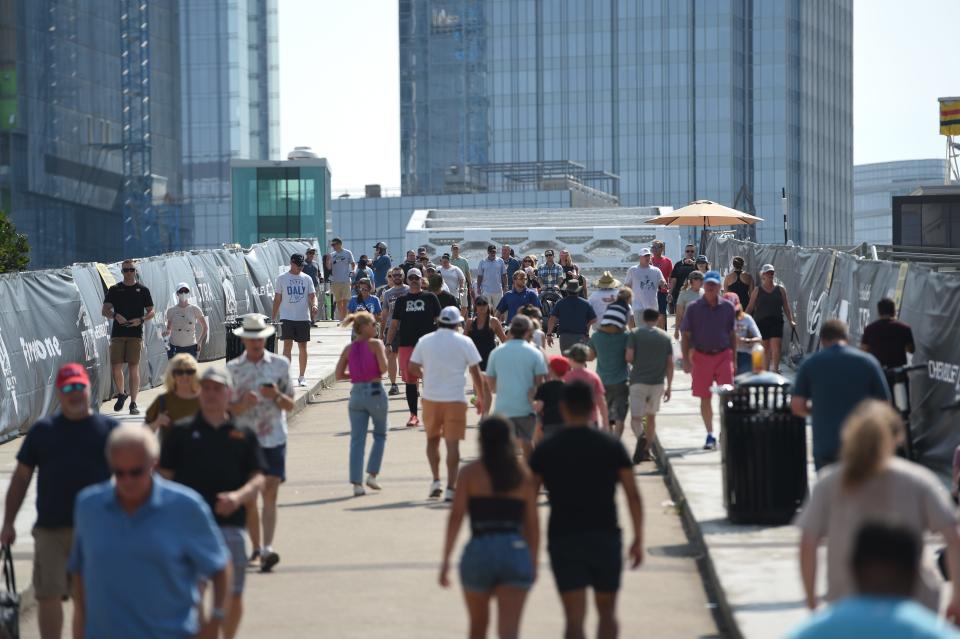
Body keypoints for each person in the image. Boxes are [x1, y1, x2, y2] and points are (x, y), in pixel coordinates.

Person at [795, 400, 960, 616]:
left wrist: (811, 601)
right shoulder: (918, 481)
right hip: (914, 601)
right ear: (897, 437)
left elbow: (808, 543)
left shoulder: (830, 482)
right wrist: (957, 596)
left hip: (847, 600)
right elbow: (953, 537)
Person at [69, 425, 230, 638]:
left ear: (153, 464)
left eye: (136, 472)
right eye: (119, 473)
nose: (127, 481)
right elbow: (80, 574)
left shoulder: (186, 507)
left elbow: (220, 567)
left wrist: (215, 621)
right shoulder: (88, 507)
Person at [0, 364, 116, 639]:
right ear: (59, 393)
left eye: (79, 387)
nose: (74, 393)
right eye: (67, 388)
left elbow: (132, 479)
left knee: (87, 597)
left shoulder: (109, 430)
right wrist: (8, 523)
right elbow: (21, 479)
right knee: (48, 595)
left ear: (89, 388)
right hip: (51, 529)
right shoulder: (43, 431)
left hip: (96, 531)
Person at [529, 380, 644, 639]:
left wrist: (532, 549)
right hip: (605, 536)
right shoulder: (611, 445)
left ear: (563, 407)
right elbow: (632, 495)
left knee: (573, 619)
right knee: (607, 613)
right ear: (593, 406)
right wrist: (638, 538)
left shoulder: (547, 448)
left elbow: (529, 501)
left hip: (563, 538)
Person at [159, 366, 266, 639]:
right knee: (192, 596)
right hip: (189, 530)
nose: (211, 394)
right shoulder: (181, 432)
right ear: (198, 393)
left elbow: (258, 478)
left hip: (230, 526)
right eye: (205, 388)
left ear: (228, 393)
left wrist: (238, 497)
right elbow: (163, 478)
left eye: (217, 389)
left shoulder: (243, 433)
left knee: (233, 594)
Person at [439, 417, 539, 639]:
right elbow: (532, 525)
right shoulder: (523, 475)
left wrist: (446, 560)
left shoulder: (470, 473)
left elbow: (456, 517)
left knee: (477, 628)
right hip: (514, 550)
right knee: (509, 631)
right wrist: (532, 560)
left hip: (479, 550)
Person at [789, 522, 960, 639]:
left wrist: (811, 603)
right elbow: (953, 534)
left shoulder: (808, 634)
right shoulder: (937, 634)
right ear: (914, 574)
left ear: (852, 569)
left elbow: (807, 539)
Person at [227, 314, 294, 572]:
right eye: (251, 338)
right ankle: (255, 548)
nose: (256, 343)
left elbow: (289, 404)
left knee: (270, 494)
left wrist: (275, 394)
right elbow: (226, 409)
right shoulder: (233, 369)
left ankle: (267, 548)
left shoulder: (280, 364)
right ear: (243, 339)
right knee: (249, 498)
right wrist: (242, 404)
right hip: (244, 440)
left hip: (274, 436)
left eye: (260, 338)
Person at [791, 320, 891, 470]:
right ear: (847, 338)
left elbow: (797, 406)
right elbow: (884, 405)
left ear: (822, 340)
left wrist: (819, 409)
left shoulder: (810, 364)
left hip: (826, 446)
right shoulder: (868, 362)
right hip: (861, 446)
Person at [409, 307, 486, 501]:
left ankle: (436, 481)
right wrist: (481, 397)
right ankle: (451, 488)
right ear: (457, 323)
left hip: (431, 398)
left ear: (439, 322)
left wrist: (426, 374)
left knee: (432, 441)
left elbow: (412, 367)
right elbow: (475, 371)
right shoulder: (464, 341)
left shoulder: (425, 341)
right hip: (455, 399)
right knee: (453, 445)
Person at [679, 270, 736, 451]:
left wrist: (733, 358)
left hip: (723, 355)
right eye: (708, 284)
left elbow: (732, 334)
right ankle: (710, 434)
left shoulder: (727, 307)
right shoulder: (694, 308)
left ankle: (725, 432)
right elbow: (686, 335)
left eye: (714, 284)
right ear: (704, 286)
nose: (711, 288)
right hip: (701, 357)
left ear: (720, 286)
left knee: (726, 396)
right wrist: (686, 359)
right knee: (705, 397)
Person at [334, 312, 389, 496]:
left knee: (357, 440)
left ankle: (357, 484)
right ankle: (372, 475)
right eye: (373, 324)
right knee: (380, 434)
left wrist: (357, 375)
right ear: (364, 327)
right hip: (374, 391)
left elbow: (339, 375)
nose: (376, 326)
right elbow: (383, 368)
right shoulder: (375, 344)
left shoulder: (349, 349)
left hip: (356, 393)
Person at [385, 267, 442, 428]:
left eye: (417, 277)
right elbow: (394, 324)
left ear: (421, 279)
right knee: (410, 382)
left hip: (429, 344)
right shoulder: (402, 301)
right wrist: (388, 343)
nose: (415, 280)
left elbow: (439, 320)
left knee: (429, 379)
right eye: (412, 278)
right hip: (407, 345)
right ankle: (413, 415)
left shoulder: (430, 297)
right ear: (407, 280)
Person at [485, 315, 548, 459]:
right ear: (528, 331)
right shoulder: (535, 353)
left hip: (503, 408)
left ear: (511, 331)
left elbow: (491, 384)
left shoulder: (497, 352)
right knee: (527, 444)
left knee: (504, 448)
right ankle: (531, 477)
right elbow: (539, 384)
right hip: (526, 408)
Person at [102, 258, 155, 415]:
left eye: (131, 269)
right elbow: (104, 310)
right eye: (126, 270)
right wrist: (115, 315)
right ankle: (121, 393)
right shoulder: (115, 289)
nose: (129, 273)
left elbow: (152, 311)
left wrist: (141, 320)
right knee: (116, 366)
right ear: (122, 272)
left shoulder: (143, 290)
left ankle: (133, 403)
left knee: (133, 368)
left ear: (135, 271)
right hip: (118, 333)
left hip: (135, 334)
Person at [626, 309, 674, 464]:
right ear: (658, 318)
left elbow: (629, 357)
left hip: (638, 381)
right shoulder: (665, 337)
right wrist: (669, 386)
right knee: (651, 417)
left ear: (644, 318)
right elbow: (670, 364)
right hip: (657, 382)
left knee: (636, 418)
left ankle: (641, 437)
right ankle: (646, 450)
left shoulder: (634, 334)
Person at [272, 253, 318, 387]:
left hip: (303, 317)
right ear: (291, 264)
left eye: (301, 266)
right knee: (287, 346)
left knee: (303, 346)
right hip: (287, 317)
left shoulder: (307, 278)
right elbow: (277, 299)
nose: (300, 268)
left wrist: (314, 304)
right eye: (298, 266)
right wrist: (274, 316)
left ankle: (302, 376)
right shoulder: (282, 279)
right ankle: (286, 376)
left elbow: (312, 295)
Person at [745, 263, 796, 373]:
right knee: (765, 349)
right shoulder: (757, 290)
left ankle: (775, 369)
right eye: (768, 273)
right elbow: (750, 307)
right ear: (763, 275)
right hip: (761, 322)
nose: (770, 275)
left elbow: (786, 306)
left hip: (776, 321)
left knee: (776, 347)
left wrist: (791, 320)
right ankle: (766, 371)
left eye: (772, 273)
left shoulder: (780, 289)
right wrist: (743, 319)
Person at [588, 306, 630, 438]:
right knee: (620, 417)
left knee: (607, 415)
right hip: (621, 382)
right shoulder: (625, 336)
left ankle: (610, 439)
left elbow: (590, 357)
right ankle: (617, 441)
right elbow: (629, 357)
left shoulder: (596, 337)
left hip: (602, 382)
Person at [144, 353, 200, 441]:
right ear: (172, 374)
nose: (184, 376)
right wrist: (157, 423)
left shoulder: (204, 400)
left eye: (189, 372)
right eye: (179, 372)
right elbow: (142, 433)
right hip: (170, 453)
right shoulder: (163, 401)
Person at [860, 297, 915, 369]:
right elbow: (911, 350)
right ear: (894, 311)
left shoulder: (870, 329)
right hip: (897, 372)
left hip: (877, 371)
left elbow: (863, 350)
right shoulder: (904, 328)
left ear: (879, 312)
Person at [563, 344, 608, 429]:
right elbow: (601, 401)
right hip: (591, 420)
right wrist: (605, 422)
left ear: (572, 359)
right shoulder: (593, 376)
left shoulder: (566, 377)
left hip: (571, 420)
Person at [380, 267, 410, 395]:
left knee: (409, 355)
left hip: (408, 327)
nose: (397, 277)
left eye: (399, 275)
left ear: (403, 276)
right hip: (392, 327)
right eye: (394, 275)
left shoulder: (409, 291)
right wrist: (381, 331)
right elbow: (384, 313)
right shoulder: (387, 293)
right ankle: (393, 384)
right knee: (392, 355)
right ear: (391, 277)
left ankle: (410, 383)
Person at [546, 279, 597, 352]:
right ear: (578, 291)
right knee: (579, 361)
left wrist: (549, 334)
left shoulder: (560, 303)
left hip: (564, 337)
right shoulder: (585, 303)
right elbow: (594, 319)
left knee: (566, 361)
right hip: (581, 337)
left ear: (567, 291)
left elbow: (552, 319)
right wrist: (587, 328)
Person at [623, 248, 666, 328]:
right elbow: (627, 286)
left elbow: (662, 281)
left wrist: (663, 283)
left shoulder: (656, 270)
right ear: (640, 257)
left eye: (648, 256)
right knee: (642, 331)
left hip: (652, 306)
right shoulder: (633, 270)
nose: (647, 258)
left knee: (652, 331)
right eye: (645, 256)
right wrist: (626, 301)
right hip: (638, 306)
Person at [164, 282, 207, 360]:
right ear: (177, 294)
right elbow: (168, 329)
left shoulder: (195, 309)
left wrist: (199, 341)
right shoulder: (171, 311)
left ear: (189, 293)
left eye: (186, 291)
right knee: (177, 372)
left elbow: (205, 327)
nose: (183, 293)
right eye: (181, 291)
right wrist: (166, 336)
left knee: (190, 372)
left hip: (191, 348)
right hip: (175, 348)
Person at [465, 295, 507, 372]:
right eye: (479, 304)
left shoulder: (494, 321)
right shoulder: (469, 322)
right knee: (477, 384)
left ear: (488, 306)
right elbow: (463, 342)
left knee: (490, 383)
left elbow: (504, 340)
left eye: (484, 303)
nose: (482, 306)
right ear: (475, 307)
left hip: (491, 358)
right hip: (475, 359)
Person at [534, 356, 570, 441]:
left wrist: (529, 399)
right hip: (567, 423)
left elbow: (538, 407)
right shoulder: (570, 387)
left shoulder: (544, 387)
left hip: (550, 423)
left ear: (551, 370)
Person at [726, 292, 761, 375]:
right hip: (727, 355)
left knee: (743, 381)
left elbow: (759, 338)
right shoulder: (720, 319)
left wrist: (745, 340)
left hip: (744, 354)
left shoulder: (746, 318)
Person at [329, 237, 356, 320]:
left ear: (340, 244)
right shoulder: (331, 255)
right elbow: (329, 268)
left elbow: (353, 264)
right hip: (335, 281)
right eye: (332, 245)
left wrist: (354, 271)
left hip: (346, 280)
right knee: (338, 302)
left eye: (334, 244)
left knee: (345, 301)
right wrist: (327, 262)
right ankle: (342, 319)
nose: (333, 246)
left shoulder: (347, 253)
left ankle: (344, 319)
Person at [673, 270, 704, 341]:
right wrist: (676, 330)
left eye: (701, 279)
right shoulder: (684, 293)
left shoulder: (704, 293)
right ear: (691, 281)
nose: (700, 281)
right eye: (697, 279)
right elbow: (679, 314)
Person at [650, 240, 673, 330]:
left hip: (662, 292)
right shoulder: (648, 260)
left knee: (662, 313)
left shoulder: (667, 261)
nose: (654, 249)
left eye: (656, 247)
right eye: (652, 247)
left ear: (662, 249)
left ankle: (663, 333)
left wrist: (670, 292)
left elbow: (670, 278)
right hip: (650, 292)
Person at [476, 244, 508, 309]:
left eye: (494, 252)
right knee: (487, 308)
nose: (492, 253)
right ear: (488, 252)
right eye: (491, 252)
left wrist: (506, 286)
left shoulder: (500, 261)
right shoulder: (482, 262)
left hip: (498, 290)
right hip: (486, 290)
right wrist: (478, 287)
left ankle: (496, 319)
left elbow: (504, 275)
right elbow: (480, 276)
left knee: (498, 309)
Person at [668, 244, 697, 314]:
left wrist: (694, 263)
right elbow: (673, 280)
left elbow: (705, 272)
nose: (690, 253)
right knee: (679, 316)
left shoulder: (698, 264)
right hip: (678, 295)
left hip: (694, 295)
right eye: (688, 251)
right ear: (685, 252)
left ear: (694, 252)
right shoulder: (678, 264)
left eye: (692, 251)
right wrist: (670, 293)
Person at [449, 243, 473, 311]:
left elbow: (468, 273)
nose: (455, 250)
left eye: (457, 248)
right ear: (451, 249)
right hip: (451, 287)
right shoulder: (448, 260)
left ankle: (462, 320)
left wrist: (470, 285)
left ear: (459, 250)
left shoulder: (464, 260)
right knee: (452, 305)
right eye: (454, 248)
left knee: (464, 306)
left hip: (463, 286)